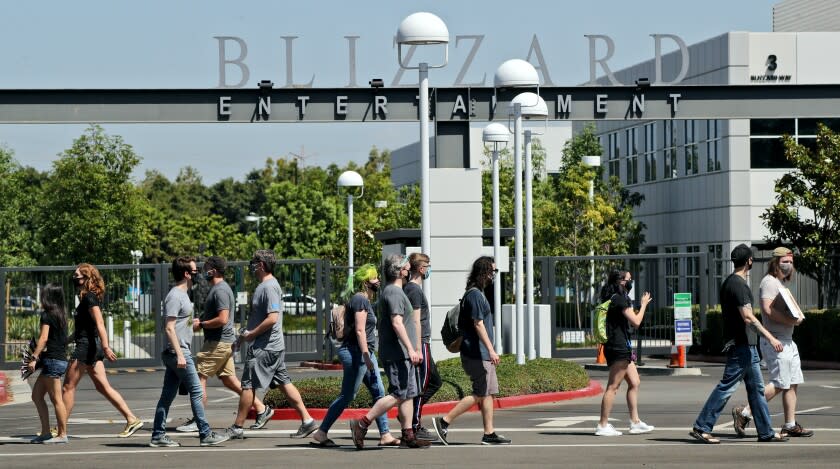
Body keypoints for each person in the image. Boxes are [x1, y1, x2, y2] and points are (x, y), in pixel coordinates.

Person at [690, 244, 789, 444]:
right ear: (749, 261)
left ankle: (765, 431)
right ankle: (702, 426)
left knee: (757, 390)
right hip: (742, 345)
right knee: (726, 386)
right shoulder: (738, 285)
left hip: (747, 346)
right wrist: (770, 337)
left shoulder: (730, 282)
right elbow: (748, 317)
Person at [225, 249, 317, 439]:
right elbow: (257, 319)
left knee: (248, 385)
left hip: (265, 347)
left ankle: (237, 427)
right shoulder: (266, 286)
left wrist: (251, 335)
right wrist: (241, 339)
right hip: (271, 346)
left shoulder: (268, 287)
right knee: (284, 383)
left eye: (254, 261)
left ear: (261, 265)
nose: (251, 265)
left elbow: (272, 318)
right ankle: (307, 421)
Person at [176, 255, 271, 433]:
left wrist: (202, 324)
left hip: (217, 343)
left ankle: (198, 419)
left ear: (214, 270)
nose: (203, 272)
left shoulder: (220, 290)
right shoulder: (218, 289)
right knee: (228, 380)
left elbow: (223, 319)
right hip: (222, 342)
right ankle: (262, 409)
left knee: (198, 378)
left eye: (205, 269)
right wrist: (201, 321)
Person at [310, 264, 400, 447]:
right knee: (348, 395)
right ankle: (321, 433)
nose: (378, 281)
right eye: (374, 278)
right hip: (357, 353)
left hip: (363, 353)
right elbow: (360, 331)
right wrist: (366, 356)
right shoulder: (360, 300)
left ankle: (385, 435)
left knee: (379, 392)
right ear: (366, 282)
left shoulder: (364, 300)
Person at [731, 247, 813, 438]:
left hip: (787, 341)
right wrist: (792, 321)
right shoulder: (769, 282)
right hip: (776, 340)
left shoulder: (779, 283)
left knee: (792, 383)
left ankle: (790, 424)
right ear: (775, 262)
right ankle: (744, 413)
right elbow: (767, 310)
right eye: (785, 261)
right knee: (779, 383)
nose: (789, 265)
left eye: (791, 262)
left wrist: (796, 317)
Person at [349, 254, 429, 449]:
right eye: (407, 268)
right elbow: (397, 322)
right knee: (398, 393)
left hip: (403, 352)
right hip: (397, 352)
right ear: (400, 271)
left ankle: (408, 435)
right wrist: (411, 349)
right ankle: (362, 423)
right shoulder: (393, 292)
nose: (409, 271)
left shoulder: (396, 291)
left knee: (408, 394)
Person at [149, 257, 229, 447]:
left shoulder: (184, 295)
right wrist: (180, 355)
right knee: (196, 391)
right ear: (186, 274)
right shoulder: (176, 296)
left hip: (177, 352)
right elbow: (168, 328)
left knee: (167, 396)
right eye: (194, 271)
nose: (198, 274)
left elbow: (177, 325)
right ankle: (205, 433)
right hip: (178, 353)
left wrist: (192, 326)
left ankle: (158, 435)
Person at [432, 256, 511, 445]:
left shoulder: (476, 293)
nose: (494, 275)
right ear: (484, 272)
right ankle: (444, 421)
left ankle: (489, 433)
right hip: (477, 353)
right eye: (492, 271)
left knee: (489, 392)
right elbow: (478, 324)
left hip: (480, 353)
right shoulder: (475, 295)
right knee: (480, 393)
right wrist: (491, 350)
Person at [62, 263, 143, 438]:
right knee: (103, 387)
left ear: (86, 278)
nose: (74, 278)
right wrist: (66, 341)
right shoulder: (86, 298)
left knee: (67, 388)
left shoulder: (90, 298)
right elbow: (82, 328)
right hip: (90, 345)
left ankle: (61, 429)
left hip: (87, 347)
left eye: (77, 276)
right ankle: (132, 418)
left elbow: (100, 323)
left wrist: (106, 347)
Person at [593, 270, 654, 436]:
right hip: (618, 347)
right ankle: (602, 425)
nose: (630, 281)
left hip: (621, 346)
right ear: (621, 281)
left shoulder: (615, 297)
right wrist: (643, 304)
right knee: (613, 387)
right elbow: (636, 322)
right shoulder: (618, 299)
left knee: (634, 382)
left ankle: (635, 422)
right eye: (628, 279)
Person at [404, 253, 441, 441]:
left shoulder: (411, 289)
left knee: (434, 381)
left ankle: (410, 416)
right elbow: (415, 321)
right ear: (421, 268)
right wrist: (418, 348)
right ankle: (414, 424)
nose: (429, 269)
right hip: (421, 343)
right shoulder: (414, 290)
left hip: (422, 343)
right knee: (424, 383)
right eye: (428, 265)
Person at [28, 283, 70, 444]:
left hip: (52, 361)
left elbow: (44, 338)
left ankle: (62, 434)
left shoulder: (47, 315)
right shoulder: (61, 315)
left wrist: (34, 357)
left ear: (48, 297)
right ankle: (45, 432)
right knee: (37, 396)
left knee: (56, 399)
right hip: (56, 359)